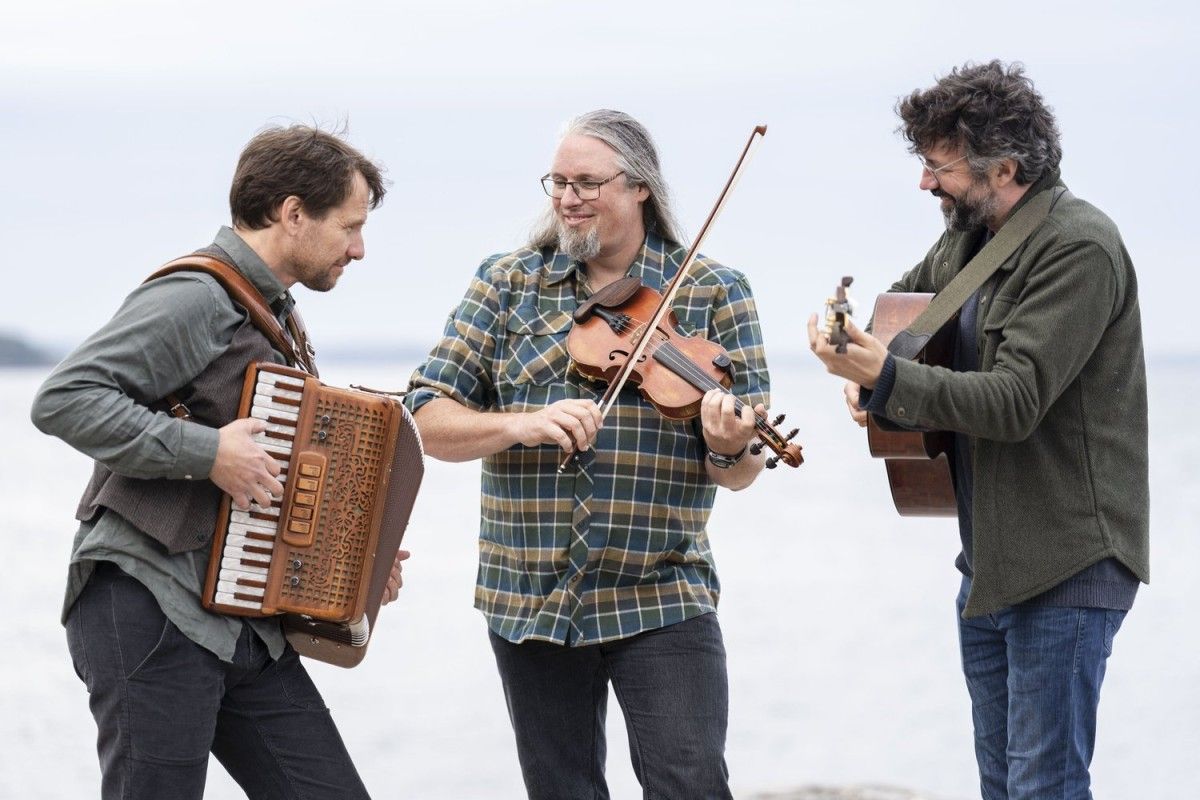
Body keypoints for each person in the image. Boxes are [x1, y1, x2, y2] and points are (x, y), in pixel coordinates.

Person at [31, 124, 406, 800]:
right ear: (293, 213)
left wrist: (355, 564)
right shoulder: (196, 295)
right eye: (350, 227)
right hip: (150, 603)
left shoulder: (274, 312)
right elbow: (64, 399)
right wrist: (207, 453)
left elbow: (272, 468)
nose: (358, 248)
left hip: (242, 627)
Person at [405, 109, 772, 799]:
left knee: (691, 783)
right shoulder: (507, 284)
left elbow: (743, 466)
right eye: (558, 182)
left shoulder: (713, 291)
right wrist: (522, 425)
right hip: (529, 594)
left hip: (661, 588)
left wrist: (729, 448)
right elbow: (424, 417)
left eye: (587, 183)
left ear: (640, 187)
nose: (568, 198)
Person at [808, 61, 1149, 799]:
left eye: (940, 167)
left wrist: (887, 379)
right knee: (1003, 786)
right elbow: (901, 319)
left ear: (1004, 167)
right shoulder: (971, 238)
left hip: (1068, 564)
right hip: (989, 564)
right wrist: (863, 369)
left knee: (1044, 788)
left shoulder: (1078, 246)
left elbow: (1015, 400)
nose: (925, 183)